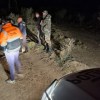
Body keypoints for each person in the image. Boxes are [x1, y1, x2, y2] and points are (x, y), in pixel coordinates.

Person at [0, 18, 23, 84]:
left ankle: (12, 80)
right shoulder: (16, 28)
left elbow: (2, 44)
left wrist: (5, 51)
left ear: (3, 23)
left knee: (11, 64)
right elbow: (21, 38)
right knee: (16, 59)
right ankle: (19, 72)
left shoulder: (3, 32)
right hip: (17, 48)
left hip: (9, 51)